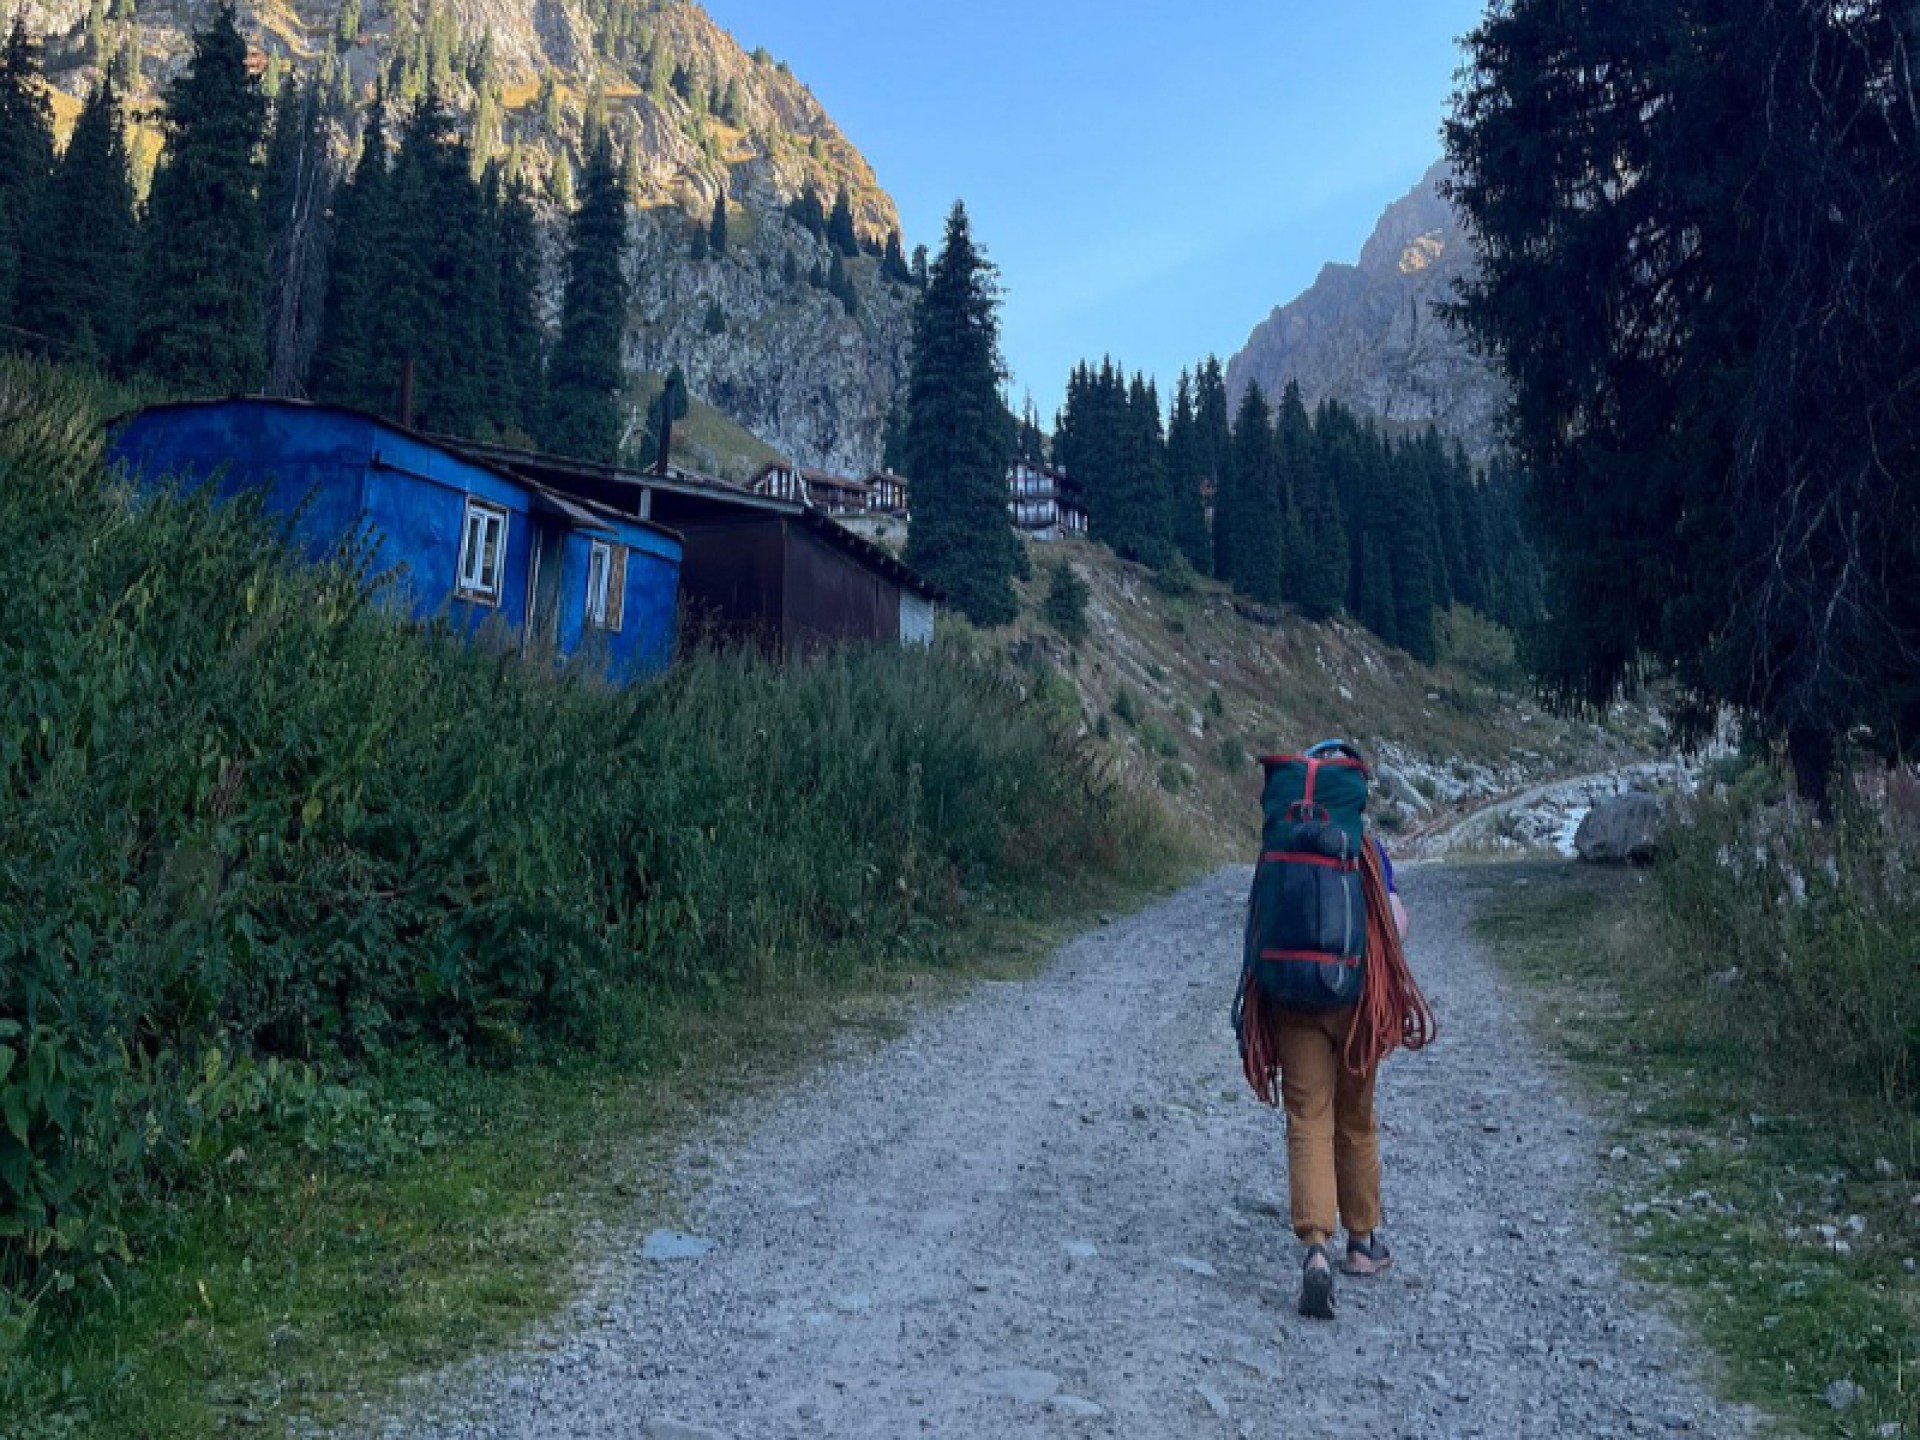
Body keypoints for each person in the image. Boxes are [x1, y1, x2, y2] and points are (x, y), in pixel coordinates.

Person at [1275, 824, 1409, 1319]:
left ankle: (1315, 1249)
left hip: (1292, 1000)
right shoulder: (1367, 848)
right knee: (1354, 1117)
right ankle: (1361, 1242)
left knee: (1308, 1117)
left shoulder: (1284, 848)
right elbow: (1396, 924)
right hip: (1356, 1000)